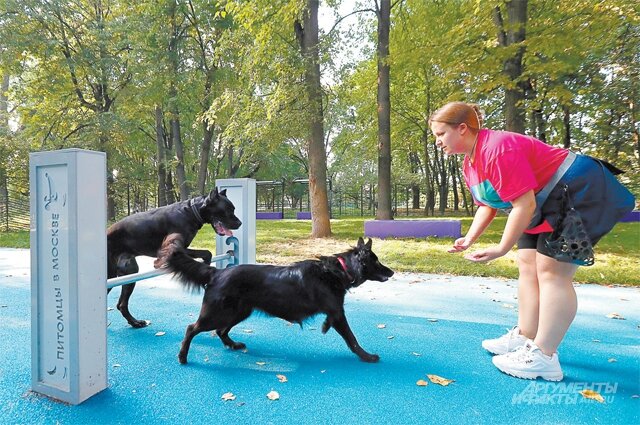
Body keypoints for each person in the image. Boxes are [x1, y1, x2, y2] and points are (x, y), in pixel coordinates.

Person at [429, 101, 635, 381]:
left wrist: (501, 248)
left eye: (440, 134)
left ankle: (544, 356)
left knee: (552, 271)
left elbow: (523, 205)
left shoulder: (497, 147)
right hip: (545, 199)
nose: (438, 142)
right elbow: (487, 206)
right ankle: (526, 335)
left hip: (579, 190)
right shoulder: (470, 163)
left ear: (462, 128)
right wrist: (469, 238)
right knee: (527, 262)